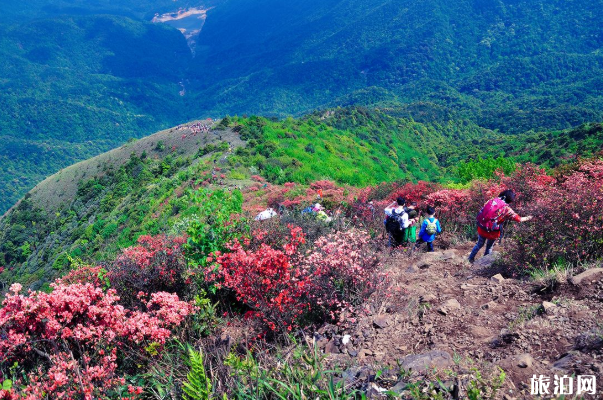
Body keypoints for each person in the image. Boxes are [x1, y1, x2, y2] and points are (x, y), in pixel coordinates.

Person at [468, 189, 533, 263]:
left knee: (479, 244)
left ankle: (470, 259)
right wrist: (530, 217)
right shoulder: (507, 209)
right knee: (489, 247)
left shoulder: (491, 200)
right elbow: (519, 219)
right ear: (510, 200)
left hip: (482, 227)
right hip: (493, 231)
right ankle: (484, 262)